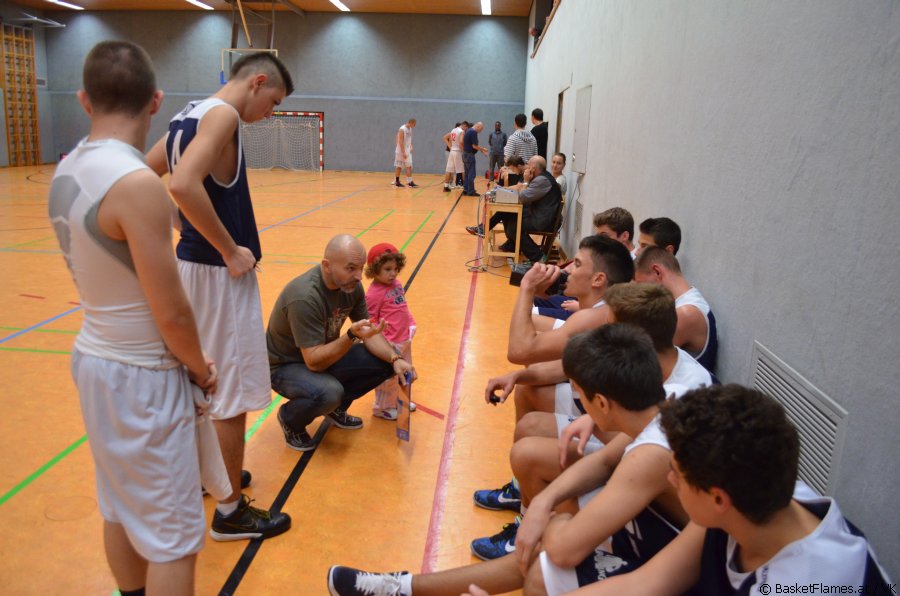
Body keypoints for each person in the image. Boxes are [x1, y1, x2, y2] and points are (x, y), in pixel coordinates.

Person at [326, 324, 689, 596]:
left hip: (672, 565)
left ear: (604, 403)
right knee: (547, 533)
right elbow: (606, 461)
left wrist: (557, 520)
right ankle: (400, 588)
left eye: (581, 398)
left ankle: (399, 588)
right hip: (663, 538)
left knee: (546, 560)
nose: (581, 407)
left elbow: (564, 548)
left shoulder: (649, 455)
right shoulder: (665, 402)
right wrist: (543, 502)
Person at [50, 40, 217, 595]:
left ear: (83, 100)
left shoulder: (68, 168)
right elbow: (171, 312)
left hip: (95, 361)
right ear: (156, 101)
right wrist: (200, 368)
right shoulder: (136, 184)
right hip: (142, 375)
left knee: (119, 505)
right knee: (174, 539)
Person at [145, 51, 293, 541]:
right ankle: (231, 513)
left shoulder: (187, 112)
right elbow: (183, 183)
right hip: (217, 274)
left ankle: (212, 477)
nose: (269, 114)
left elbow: (147, 174)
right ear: (257, 82)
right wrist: (229, 249)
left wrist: (180, 222)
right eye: (273, 102)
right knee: (231, 392)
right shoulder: (225, 114)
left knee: (202, 379)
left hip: (191, 269)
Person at [568, 384, 893, 595]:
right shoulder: (752, 496)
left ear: (717, 498)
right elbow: (648, 583)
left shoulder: (803, 582)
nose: (670, 480)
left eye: (677, 474)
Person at [267, 235, 417, 449]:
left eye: (360, 268)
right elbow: (314, 362)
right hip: (286, 366)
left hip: (319, 355)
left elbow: (369, 331)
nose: (358, 276)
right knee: (329, 393)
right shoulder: (304, 297)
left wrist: (396, 358)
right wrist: (350, 336)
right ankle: (291, 419)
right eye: (350, 268)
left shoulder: (351, 287)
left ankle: (334, 409)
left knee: (385, 361)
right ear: (327, 266)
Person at [634, 246, 718, 373]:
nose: (640, 291)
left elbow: (643, 361)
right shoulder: (684, 300)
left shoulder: (686, 313)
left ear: (657, 272)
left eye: (640, 284)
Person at [364, 242, 417, 420]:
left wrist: (410, 324)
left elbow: (402, 307)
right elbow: (371, 321)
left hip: (404, 338)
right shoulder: (373, 294)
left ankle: (401, 400)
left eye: (395, 269)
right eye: (387, 269)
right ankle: (383, 407)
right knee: (388, 379)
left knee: (405, 372)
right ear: (375, 269)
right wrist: (383, 342)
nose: (393, 273)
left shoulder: (397, 284)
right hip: (390, 343)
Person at [500, 155, 563, 270]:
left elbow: (522, 197)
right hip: (540, 215)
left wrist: (526, 181)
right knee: (509, 216)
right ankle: (512, 245)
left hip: (544, 220)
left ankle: (538, 257)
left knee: (513, 227)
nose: (526, 167)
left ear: (533, 168)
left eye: (528, 165)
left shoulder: (541, 180)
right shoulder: (541, 177)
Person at [465, 156, 525, 238]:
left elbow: (519, 187)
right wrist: (503, 188)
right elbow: (518, 186)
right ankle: (483, 228)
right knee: (503, 211)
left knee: (503, 211)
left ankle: (483, 228)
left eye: (513, 169)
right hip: (522, 201)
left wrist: (504, 188)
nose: (513, 171)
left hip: (526, 207)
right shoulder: (523, 172)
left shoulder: (526, 173)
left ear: (518, 166)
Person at [462, 121, 489, 196]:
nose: (481, 131)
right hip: (469, 155)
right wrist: (483, 149)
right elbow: (474, 146)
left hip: (465, 154)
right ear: (478, 126)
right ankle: (471, 191)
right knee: (471, 174)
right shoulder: (473, 132)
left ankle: (466, 189)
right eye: (481, 129)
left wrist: (482, 151)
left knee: (467, 174)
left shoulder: (469, 131)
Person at [442, 121, 468, 192]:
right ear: (464, 126)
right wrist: (464, 150)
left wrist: (451, 147)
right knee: (462, 170)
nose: (465, 130)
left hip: (452, 151)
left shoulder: (453, 130)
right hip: (457, 151)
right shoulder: (461, 131)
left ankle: (446, 187)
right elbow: (461, 142)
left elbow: (449, 139)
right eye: (466, 128)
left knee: (449, 170)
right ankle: (466, 187)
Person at [392, 118, 418, 188]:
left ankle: (410, 182)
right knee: (399, 166)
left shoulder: (410, 129)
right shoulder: (402, 129)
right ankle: (397, 181)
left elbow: (409, 139)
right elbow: (400, 141)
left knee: (409, 166)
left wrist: (411, 146)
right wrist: (403, 152)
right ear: (411, 123)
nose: (414, 126)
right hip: (400, 151)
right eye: (414, 124)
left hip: (407, 150)